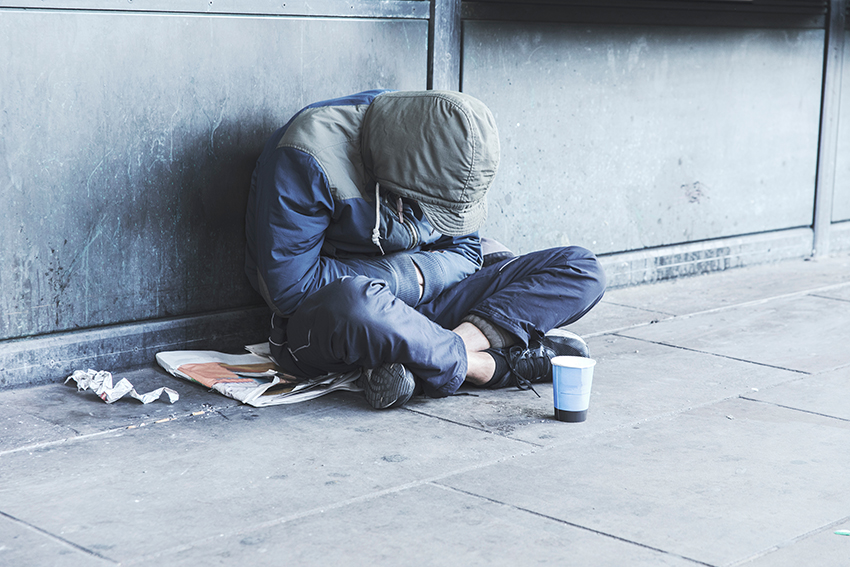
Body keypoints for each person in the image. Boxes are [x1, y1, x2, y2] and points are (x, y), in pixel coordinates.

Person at [244, 90, 606, 409]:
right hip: (343, 320)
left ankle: (424, 356)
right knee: (354, 303)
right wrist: (411, 277)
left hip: (432, 302)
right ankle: (491, 367)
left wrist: (425, 292)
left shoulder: (448, 146)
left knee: (582, 268)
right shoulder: (305, 156)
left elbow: (466, 252)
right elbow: (292, 291)